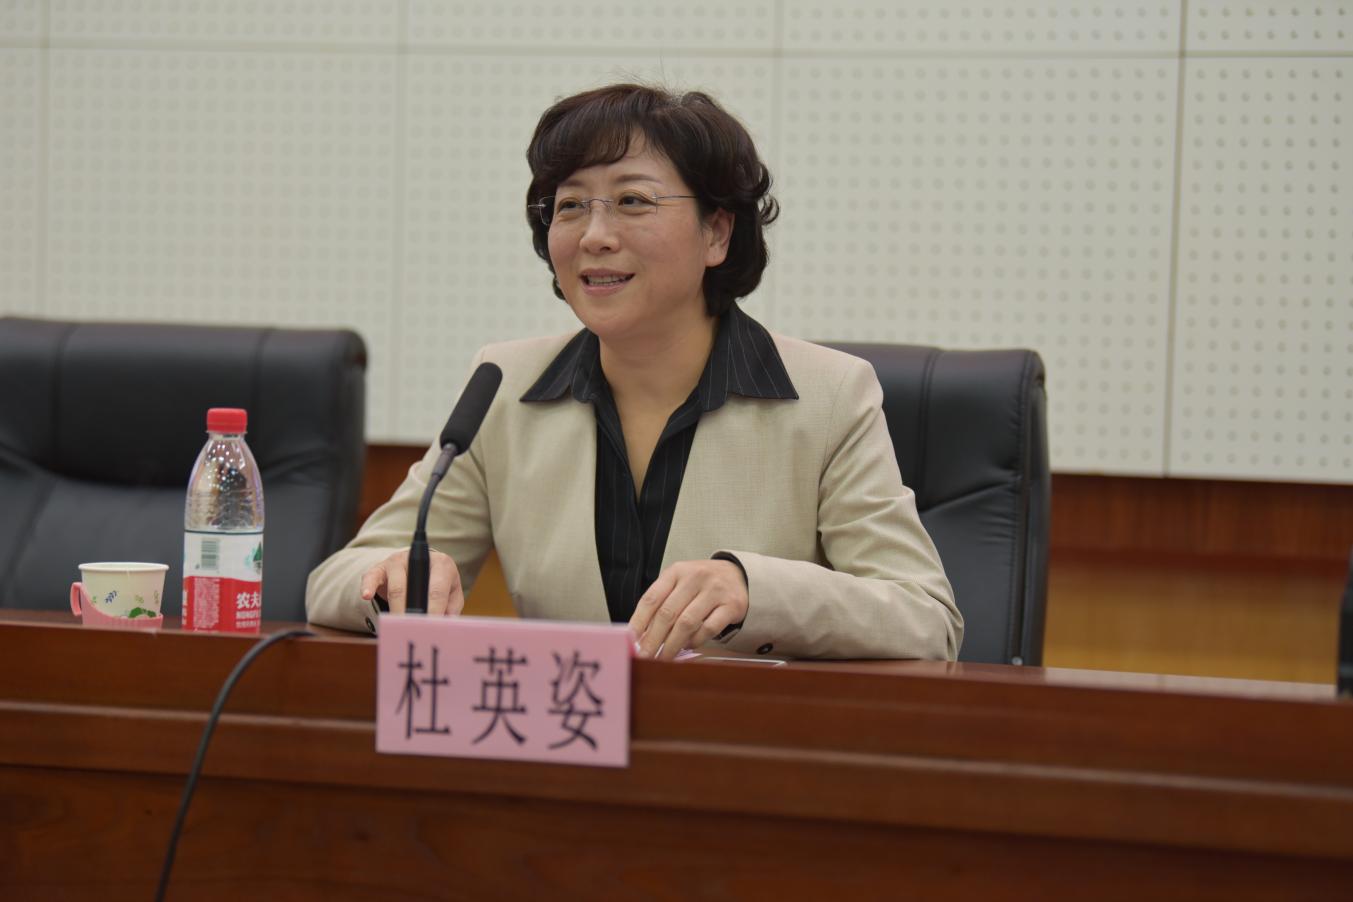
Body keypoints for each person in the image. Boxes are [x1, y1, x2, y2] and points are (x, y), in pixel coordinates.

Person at [306, 83, 962, 660]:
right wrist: (389, 579)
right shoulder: (506, 385)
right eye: (570, 206)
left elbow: (926, 619)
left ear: (716, 233)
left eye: (632, 201)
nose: (594, 235)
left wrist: (752, 590)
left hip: (741, 744)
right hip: (561, 742)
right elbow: (336, 579)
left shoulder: (829, 395)